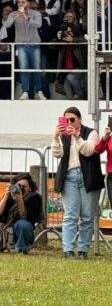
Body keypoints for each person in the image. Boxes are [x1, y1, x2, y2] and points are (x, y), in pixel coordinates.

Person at [51, 106, 101, 259]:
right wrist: (55, 137)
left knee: (87, 216)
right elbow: (57, 154)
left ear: (80, 119)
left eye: (72, 119)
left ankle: (83, 250)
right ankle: (68, 249)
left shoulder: (91, 132)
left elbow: (89, 151)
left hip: (89, 176)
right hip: (70, 176)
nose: (69, 123)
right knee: (70, 215)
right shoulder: (64, 135)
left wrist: (77, 137)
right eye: (66, 120)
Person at [3, 0, 45, 100]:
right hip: (21, 44)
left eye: (23, 2)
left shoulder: (35, 13)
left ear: (28, 3)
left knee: (36, 68)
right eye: (19, 2)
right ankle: (25, 91)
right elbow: (6, 25)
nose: (20, 4)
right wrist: (14, 17)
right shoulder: (13, 13)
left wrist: (27, 18)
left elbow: (39, 25)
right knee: (23, 68)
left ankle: (39, 91)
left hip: (34, 44)